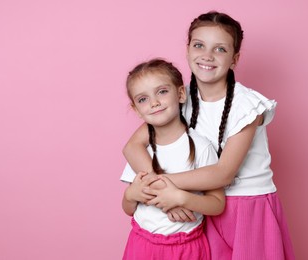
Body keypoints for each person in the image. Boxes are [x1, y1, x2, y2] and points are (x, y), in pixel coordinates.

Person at [123, 11, 295, 260]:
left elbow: (224, 173)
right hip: (203, 207)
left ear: (235, 59)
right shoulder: (179, 99)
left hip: (246, 208)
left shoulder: (247, 105)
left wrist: (165, 187)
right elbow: (132, 146)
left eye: (220, 49)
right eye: (199, 45)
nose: (207, 55)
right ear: (188, 49)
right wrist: (164, 192)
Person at [120, 58, 225, 260]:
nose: (154, 102)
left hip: (186, 248)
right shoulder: (143, 151)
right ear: (135, 109)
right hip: (141, 244)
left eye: (162, 91)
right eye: (143, 99)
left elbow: (217, 204)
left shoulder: (202, 148)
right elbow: (128, 209)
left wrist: (181, 198)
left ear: (180, 93)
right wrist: (130, 195)